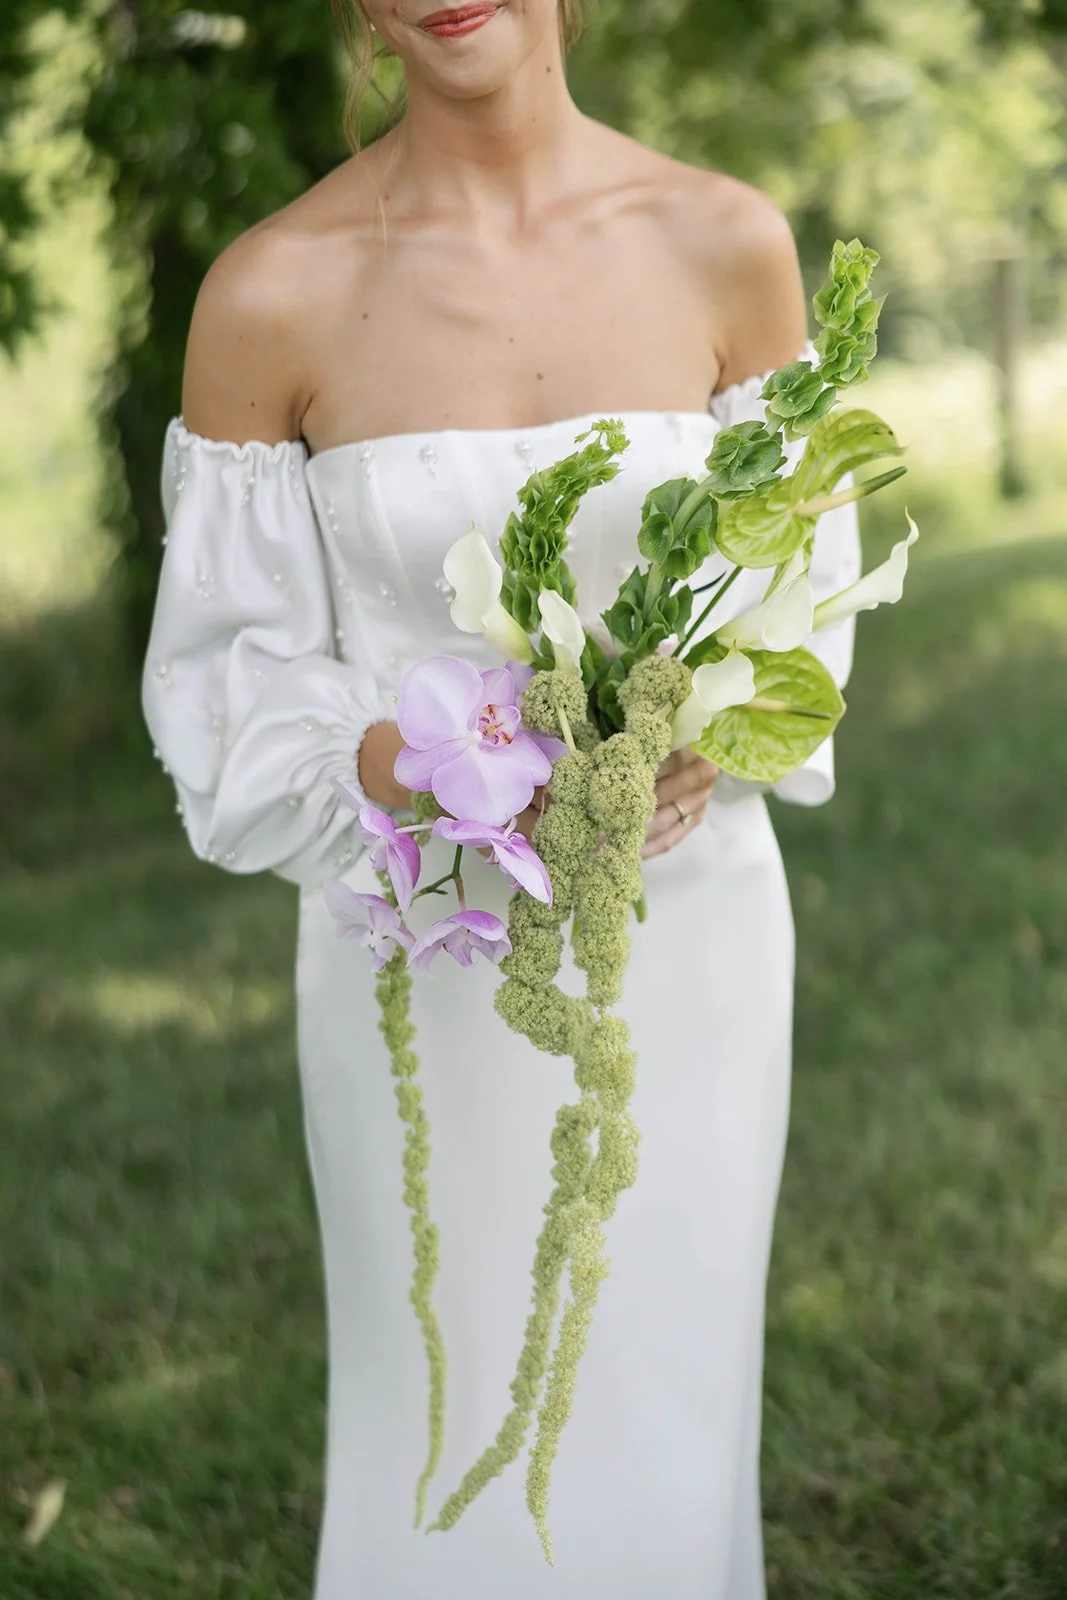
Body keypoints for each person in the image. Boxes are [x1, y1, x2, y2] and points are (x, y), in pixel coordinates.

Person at [142, 1, 861, 1594]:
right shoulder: (270, 293)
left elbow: (804, 606)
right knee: (437, 1404)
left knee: (668, 1393)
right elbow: (226, 704)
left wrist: (706, 723)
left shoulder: (723, 240)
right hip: (423, 948)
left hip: (692, 944)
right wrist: (460, 767)